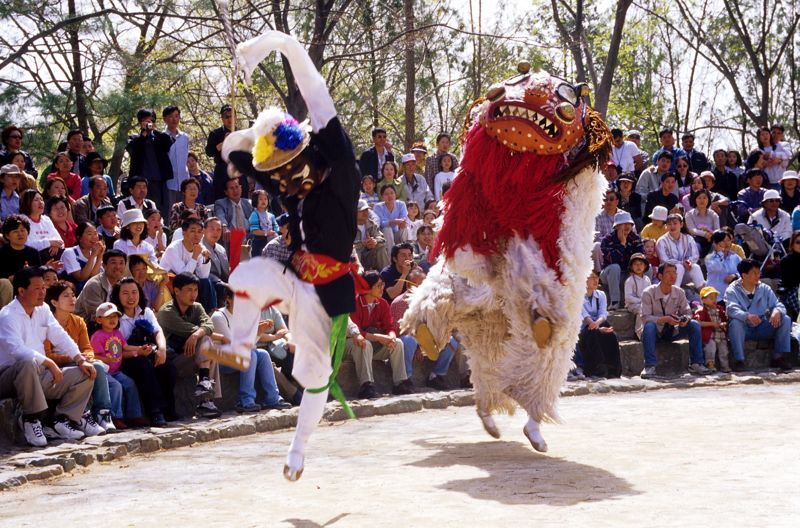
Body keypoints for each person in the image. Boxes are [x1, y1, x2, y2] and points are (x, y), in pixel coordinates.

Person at [219, 29, 371, 480]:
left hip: (327, 294)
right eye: (278, 179)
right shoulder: (291, 185)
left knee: (314, 373)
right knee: (247, 276)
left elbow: (315, 90)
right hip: (296, 279)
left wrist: (278, 44)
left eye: (288, 176)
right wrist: (234, 144)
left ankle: (298, 449)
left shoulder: (339, 166)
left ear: (307, 156)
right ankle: (240, 345)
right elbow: (251, 164)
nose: (284, 186)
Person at [0, 267, 99, 446]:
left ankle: (61, 421)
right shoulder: (7, 316)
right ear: (21, 291)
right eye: (37, 288)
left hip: (40, 374)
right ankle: (31, 419)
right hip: (10, 377)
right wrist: (49, 363)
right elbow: (16, 350)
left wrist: (79, 358)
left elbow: (59, 335)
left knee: (86, 372)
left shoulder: (43, 308)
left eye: (44, 288)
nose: (42, 292)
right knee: (27, 363)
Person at [45, 281, 119, 432]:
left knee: (96, 366)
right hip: (57, 366)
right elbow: (48, 355)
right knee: (90, 368)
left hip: (79, 361)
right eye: (66, 296)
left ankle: (102, 413)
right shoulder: (47, 323)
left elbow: (87, 347)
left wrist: (87, 357)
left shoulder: (78, 321)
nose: (72, 299)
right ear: (54, 302)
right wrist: (75, 358)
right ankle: (83, 415)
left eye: (73, 295)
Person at [210, 286, 291, 413]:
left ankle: (273, 398)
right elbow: (234, 345)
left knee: (263, 354)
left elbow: (250, 345)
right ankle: (245, 400)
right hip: (221, 360)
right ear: (228, 299)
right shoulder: (218, 317)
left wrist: (258, 332)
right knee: (250, 354)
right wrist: (257, 332)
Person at [111, 277, 178, 421]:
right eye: (125, 293)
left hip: (147, 351)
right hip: (126, 358)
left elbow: (157, 331)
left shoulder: (146, 312)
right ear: (117, 295)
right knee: (144, 365)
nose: (131, 297)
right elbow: (116, 351)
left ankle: (169, 409)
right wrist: (137, 352)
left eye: (134, 292)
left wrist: (162, 349)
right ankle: (155, 411)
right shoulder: (114, 317)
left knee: (167, 367)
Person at [156, 272, 222, 419]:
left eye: (196, 290)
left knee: (208, 346)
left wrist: (196, 335)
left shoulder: (197, 307)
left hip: (193, 358)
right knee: (206, 342)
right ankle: (206, 398)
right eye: (189, 290)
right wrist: (198, 332)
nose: (193, 294)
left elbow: (210, 325)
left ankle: (206, 391)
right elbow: (192, 329)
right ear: (176, 291)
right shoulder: (167, 312)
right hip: (172, 363)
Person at [345, 271, 411, 397]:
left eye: (383, 284)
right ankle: (366, 386)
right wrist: (379, 337)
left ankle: (400, 383)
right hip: (350, 344)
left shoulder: (383, 303)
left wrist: (391, 336)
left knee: (397, 343)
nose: (383, 288)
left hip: (373, 344)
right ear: (367, 288)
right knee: (364, 344)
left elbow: (389, 327)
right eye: (379, 285)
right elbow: (357, 333)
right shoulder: (354, 303)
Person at [639, 263, 711, 378]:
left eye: (674, 273)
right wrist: (665, 319)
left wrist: (684, 319)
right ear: (660, 276)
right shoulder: (648, 292)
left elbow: (687, 312)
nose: (672, 276)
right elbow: (645, 317)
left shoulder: (679, 292)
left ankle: (696, 363)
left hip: (672, 330)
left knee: (694, 324)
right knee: (649, 326)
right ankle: (649, 367)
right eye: (668, 273)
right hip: (654, 332)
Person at [391, 267, 456, 390]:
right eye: (420, 284)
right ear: (409, 285)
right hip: (408, 340)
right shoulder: (399, 303)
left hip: (427, 340)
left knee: (451, 341)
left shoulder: (430, 302)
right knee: (409, 341)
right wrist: (417, 347)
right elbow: (396, 330)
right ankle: (406, 378)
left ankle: (436, 375)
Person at [90, 302, 153, 427]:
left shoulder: (117, 333)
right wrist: (106, 360)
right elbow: (93, 356)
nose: (112, 319)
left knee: (130, 384)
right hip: (105, 372)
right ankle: (115, 416)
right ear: (99, 319)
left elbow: (125, 348)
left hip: (116, 371)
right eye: (108, 317)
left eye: (114, 316)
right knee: (116, 386)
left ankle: (134, 415)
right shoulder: (97, 336)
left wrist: (140, 349)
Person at [724, 259, 792, 372]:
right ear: (744, 275)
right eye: (754, 273)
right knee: (735, 323)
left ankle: (778, 357)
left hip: (762, 326)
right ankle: (739, 360)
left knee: (785, 319)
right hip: (744, 328)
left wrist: (776, 311)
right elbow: (731, 309)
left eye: (758, 272)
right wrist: (747, 316)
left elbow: (777, 304)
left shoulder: (764, 288)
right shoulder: (732, 290)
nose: (758, 276)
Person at [159, 217, 216, 313]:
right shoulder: (173, 249)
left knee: (206, 282)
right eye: (193, 231)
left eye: (199, 232)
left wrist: (206, 260)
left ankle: (210, 313)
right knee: (189, 285)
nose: (196, 235)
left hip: (185, 282)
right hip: (168, 282)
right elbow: (183, 275)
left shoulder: (200, 247)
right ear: (184, 233)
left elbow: (203, 275)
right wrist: (194, 257)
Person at [126, 108, 174, 216]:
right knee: (141, 210)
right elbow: (132, 149)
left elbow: (169, 143)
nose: (148, 123)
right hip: (140, 182)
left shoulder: (159, 137)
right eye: (145, 120)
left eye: (151, 120)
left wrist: (154, 130)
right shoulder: (134, 138)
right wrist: (143, 134)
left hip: (158, 181)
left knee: (159, 210)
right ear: (140, 122)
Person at [577, 270, 621, 378]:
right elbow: (583, 313)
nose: (595, 280)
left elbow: (603, 313)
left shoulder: (601, 294)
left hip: (596, 324)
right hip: (583, 328)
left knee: (611, 334)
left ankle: (613, 370)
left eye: (596, 277)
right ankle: (598, 370)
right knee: (593, 333)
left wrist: (597, 324)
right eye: (591, 277)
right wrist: (594, 326)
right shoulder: (578, 295)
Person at [599, 211, 643, 310]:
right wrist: (622, 244)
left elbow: (641, 256)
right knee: (615, 267)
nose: (627, 226)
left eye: (629, 224)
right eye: (623, 224)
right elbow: (611, 259)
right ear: (617, 226)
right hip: (609, 274)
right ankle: (615, 302)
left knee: (646, 268)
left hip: (628, 273)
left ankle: (643, 300)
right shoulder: (607, 239)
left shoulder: (635, 238)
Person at [206, 104, 246, 201]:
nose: (230, 119)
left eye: (232, 116)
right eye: (226, 117)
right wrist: (224, 143)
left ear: (236, 117)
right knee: (222, 199)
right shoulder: (215, 133)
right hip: (222, 170)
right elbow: (209, 152)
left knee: (242, 199)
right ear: (222, 119)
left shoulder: (242, 133)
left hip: (238, 169)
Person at [0, 215, 42, 306]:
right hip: (8, 289)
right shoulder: (2, 253)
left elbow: (38, 274)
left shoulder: (33, 252)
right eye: (15, 231)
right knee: (5, 283)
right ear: (7, 235)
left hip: (28, 287)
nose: (20, 234)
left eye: (23, 230)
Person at [75, 249, 128, 320]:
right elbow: (98, 314)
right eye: (113, 263)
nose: (118, 267)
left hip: (114, 321)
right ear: (104, 266)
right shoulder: (94, 285)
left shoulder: (125, 283)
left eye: (121, 263)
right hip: (88, 324)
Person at [656, 213, 704, 289]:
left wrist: (689, 262)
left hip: (686, 273)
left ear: (681, 224)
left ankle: (704, 296)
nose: (672, 226)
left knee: (695, 267)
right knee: (679, 267)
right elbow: (664, 260)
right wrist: (682, 263)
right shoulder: (662, 241)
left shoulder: (688, 238)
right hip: (668, 274)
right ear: (666, 226)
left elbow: (695, 255)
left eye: (675, 223)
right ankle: (674, 294)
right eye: (669, 224)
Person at [693, 286, 730, 372]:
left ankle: (725, 366)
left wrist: (724, 324)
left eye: (715, 298)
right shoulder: (701, 311)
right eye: (711, 298)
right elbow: (699, 322)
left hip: (720, 334)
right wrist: (712, 324)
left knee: (724, 350)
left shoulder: (719, 309)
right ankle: (710, 364)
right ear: (703, 300)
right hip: (710, 335)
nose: (714, 300)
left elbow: (725, 319)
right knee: (710, 349)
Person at [61, 222, 104, 293]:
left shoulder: (94, 252)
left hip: (87, 292)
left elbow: (93, 278)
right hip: (71, 292)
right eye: (89, 234)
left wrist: (100, 256)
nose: (94, 237)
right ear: (79, 237)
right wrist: (93, 256)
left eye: (95, 233)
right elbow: (81, 277)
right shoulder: (70, 252)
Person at [163, 105, 190, 207]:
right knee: (170, 214)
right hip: (169, 182)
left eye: (176, 116)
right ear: (165, 119)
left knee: (185, 213)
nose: (174, 119)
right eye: (170, 116)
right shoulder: (162, 137)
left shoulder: (185, 137)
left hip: (184, 181)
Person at [354, 198, 388, 271]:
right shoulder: (349, 226)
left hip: (369, 255)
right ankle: (357, 278)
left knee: (381, 248)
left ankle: (385, 276)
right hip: (355, 257)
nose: (365, 212)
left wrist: (375, 242)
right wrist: (362, 243)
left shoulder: (371, 224)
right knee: (356, 250)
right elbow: (346, 245)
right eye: (362, 211)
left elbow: (382, 239)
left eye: (366, 210)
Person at [704, 230, 741, 298]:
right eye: (723, 241)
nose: (726, 243)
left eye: (728, 240)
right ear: (715, 243)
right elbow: (717, 267)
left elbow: (744, 272)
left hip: (732, 295)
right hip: (715, 297)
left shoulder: (735, 257)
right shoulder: (709, 258)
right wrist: (720, 252)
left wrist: (735, 275)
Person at [684, 189, 720, 257]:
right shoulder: (689, 214)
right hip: (696, 239)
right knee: (696, 247)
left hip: (712, 238)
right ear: (695, 200)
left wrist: (712, 234)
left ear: (708, 200)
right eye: (699, 198)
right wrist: (705, 234)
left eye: (704, 197)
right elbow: (692, 230)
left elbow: (717, 229)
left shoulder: (713, 214)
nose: (702, 200)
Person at [374, 184, 410, 248]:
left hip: (397, 234)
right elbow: (380, 224)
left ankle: (405, 250)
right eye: (386, 194)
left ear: (395, 195)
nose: (390, 196)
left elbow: (404, 219)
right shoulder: (378, 207)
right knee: (387, 229)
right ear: (382, 197)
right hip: (384, 235)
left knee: (404, 228)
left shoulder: (401, 204)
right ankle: (390, 255)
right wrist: (392, 222)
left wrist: (402, 223)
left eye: (392, 193)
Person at [624, 253, 651, 339]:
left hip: (645, 303)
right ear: (631, 267)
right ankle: (639, 333)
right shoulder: (630, 280)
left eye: (641, 264)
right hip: (632, 304)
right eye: (635, 264)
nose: (638, 266)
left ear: (645, 266)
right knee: (641, 309)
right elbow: (628, 297)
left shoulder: (647, 279)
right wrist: (641, 301)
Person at [248, 189, 278, 256]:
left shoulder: (271, 215)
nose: (263, 201)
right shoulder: (254, 214)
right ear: (255, 200)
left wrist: (275, 232)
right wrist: (266, 233)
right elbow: (254, 231)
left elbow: (276, 227)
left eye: (265, 199)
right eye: (260, 199)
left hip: (271, 242)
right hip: (259, 243)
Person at [779, 231, 800, 321]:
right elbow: (788, 282)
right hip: (791, 291)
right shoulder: (786, 261)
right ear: (792, 244)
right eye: (798, 242)